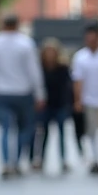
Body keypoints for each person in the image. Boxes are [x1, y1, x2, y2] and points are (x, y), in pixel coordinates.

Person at [0, 13, 45, 178]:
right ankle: (15, 159)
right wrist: (40, 94)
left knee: (5, 128)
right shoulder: (26, 44)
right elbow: (34, 71)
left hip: (1, 91)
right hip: (23, 92)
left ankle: (7, 162)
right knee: (25, 128)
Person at [70, 22, 98, 173]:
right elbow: (78, 80)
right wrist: (78, 100)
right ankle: (96, 159)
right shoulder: (80, 57)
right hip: (89, 100)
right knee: (91, 132)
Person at [29, 39, 73, 172]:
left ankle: (64, 159)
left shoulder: (63, 68)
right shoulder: (39, 68)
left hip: (59, 104)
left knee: (61, 133)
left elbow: (67, 87)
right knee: (43, 133)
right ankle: (40, 158)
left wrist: (68, 104)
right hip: (45, 105)